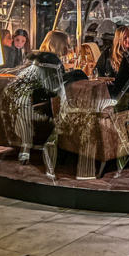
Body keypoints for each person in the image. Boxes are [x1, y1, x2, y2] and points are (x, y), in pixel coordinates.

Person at [9, 30, 87, 163]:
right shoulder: (51, 60)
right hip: (45, 104)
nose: (68, 48)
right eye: (66, 44)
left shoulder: (38, 57)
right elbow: (54, 86)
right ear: (58, 44)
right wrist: (78, 74)